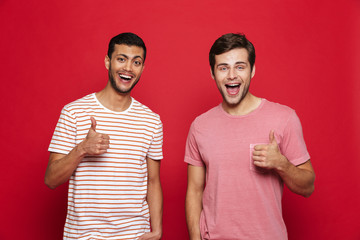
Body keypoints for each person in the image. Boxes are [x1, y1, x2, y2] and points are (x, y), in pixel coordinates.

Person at [185, 33, 315, 240]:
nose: (231, 76)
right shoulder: (200, 126)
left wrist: (281, 164)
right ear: (212, 73)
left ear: (252, 70)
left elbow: (308, 187)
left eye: (240, 66)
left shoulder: (284, 118)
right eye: (223, 68)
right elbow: (194, 190)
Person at [45, 32, 163, 240]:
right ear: (108, 62)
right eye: (121, 59)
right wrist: (82, 149)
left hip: (134, 235)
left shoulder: (151, 121)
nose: (128, 68)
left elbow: (153, 182)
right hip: (84, 235)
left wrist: (157, 230)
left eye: (136, 62)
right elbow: (51, 180)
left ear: (143, 68)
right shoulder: (74, 112)